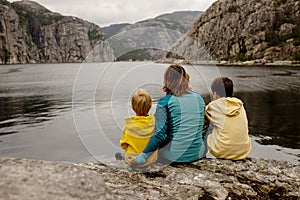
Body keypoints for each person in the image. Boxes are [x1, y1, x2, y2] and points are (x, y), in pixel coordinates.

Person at [127, 64, 207, 166]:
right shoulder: (199, 98)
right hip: (197, 154)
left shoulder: (165, 102)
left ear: (167, 81)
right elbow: (202, 126)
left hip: (174, 157)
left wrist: (141, 158)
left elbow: (159, 135)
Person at [205, 77, 251, 160]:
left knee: (207, 127)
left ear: (215, 94)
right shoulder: (239, 105)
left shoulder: (213, 106)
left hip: (222, 151)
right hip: (243, 151)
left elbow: (204, 120)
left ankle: (199, 155)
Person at [117, 88, 158, 167]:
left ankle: (122, 158)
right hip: (150, 160)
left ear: (132, 107)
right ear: (150, 106)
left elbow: (123, 145)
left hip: (132, 160)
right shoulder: (155, 123)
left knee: (120, 154)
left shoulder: (128, 126)